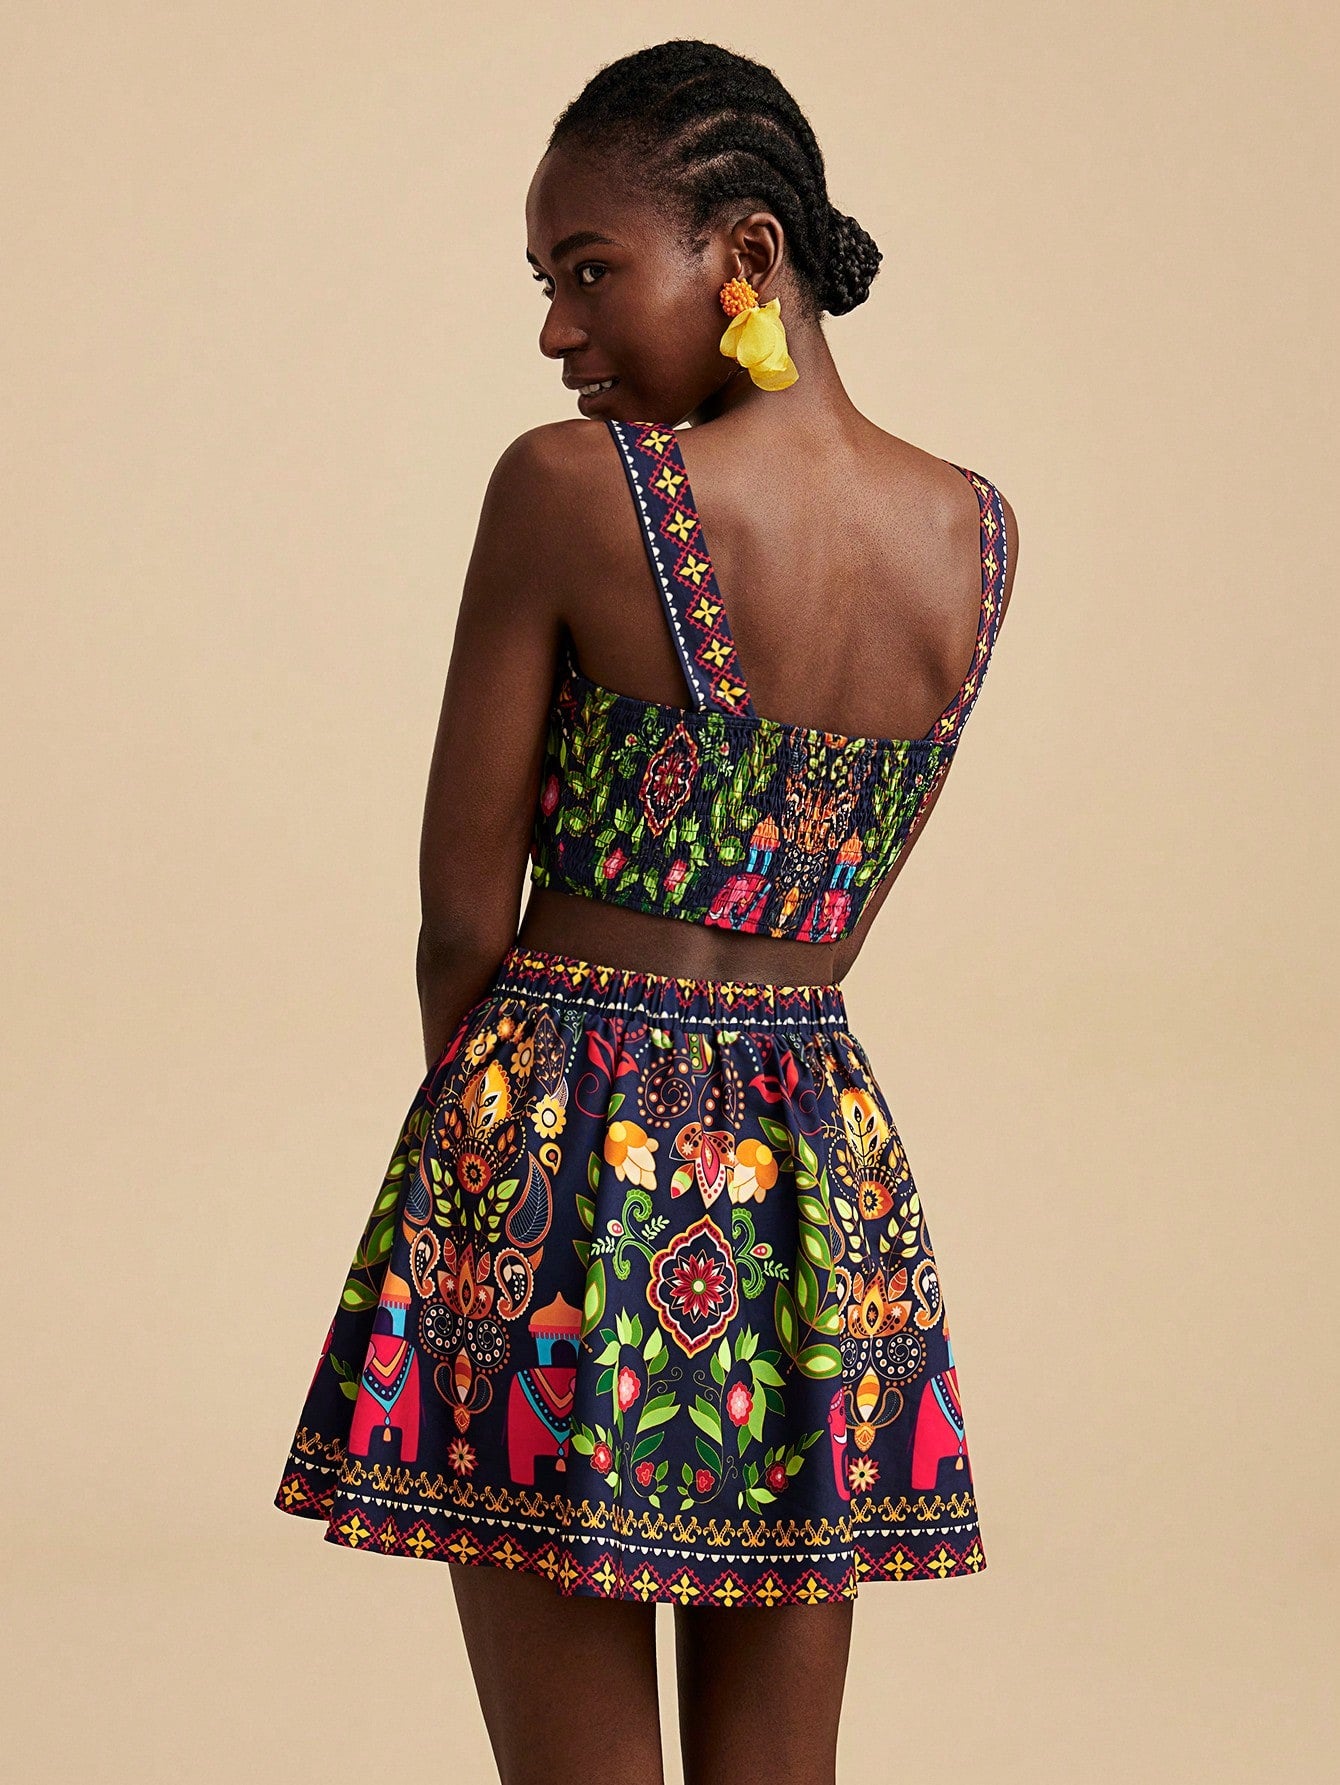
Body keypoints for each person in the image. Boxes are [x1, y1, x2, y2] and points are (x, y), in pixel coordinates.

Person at [274, 36, 1018, 1785]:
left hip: (559, 1139)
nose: (557, 328)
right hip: (818, 1174)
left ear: (748, 254)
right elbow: (835, 918)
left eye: (590, 269)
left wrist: (484, 1163)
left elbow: (461, 914)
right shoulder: (974, 537)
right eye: (547, 282)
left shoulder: (570, 490)